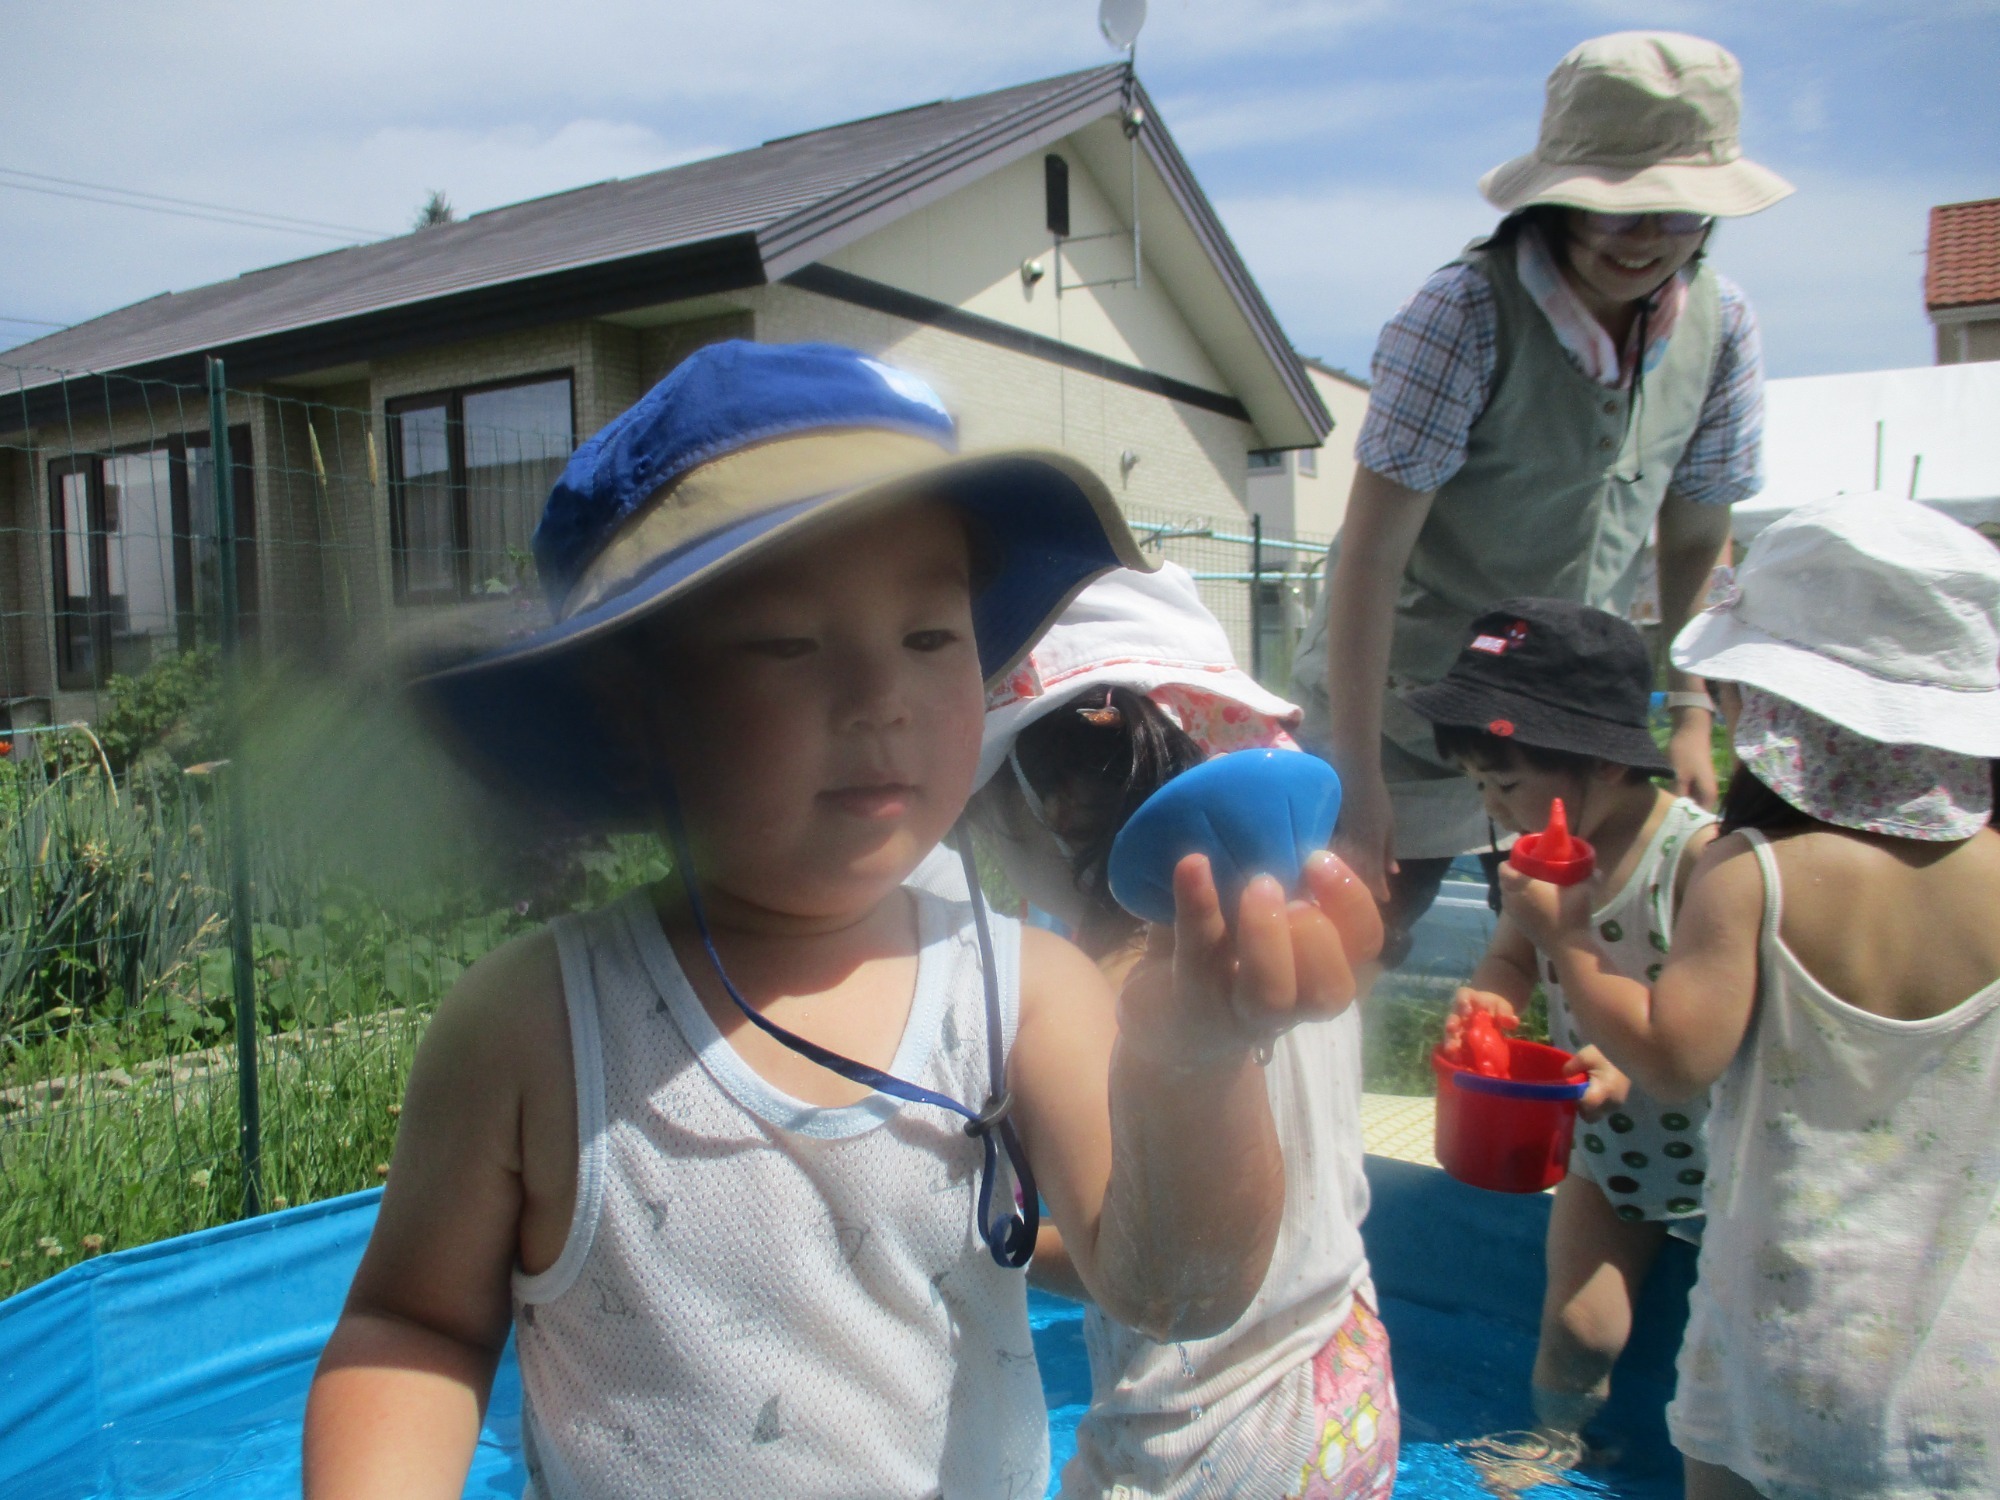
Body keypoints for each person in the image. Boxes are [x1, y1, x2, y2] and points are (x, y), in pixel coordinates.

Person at [299, 341, 1380, 1500]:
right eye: (787, 645)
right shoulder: (531, 1031)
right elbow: (414, 1325)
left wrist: (1194, 1067)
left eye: (928, 637)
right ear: (632, 713)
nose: (881, 698)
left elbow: (1171, 1289)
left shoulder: (1023, 995)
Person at [1500, 494, 2000, 1499]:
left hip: (1783, 1337)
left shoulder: (1751, 872)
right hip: (1966, 1356)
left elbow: (1673, 1060)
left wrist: (1568, 944)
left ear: (1771, 708)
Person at [1288, 31, 1791, 965]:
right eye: (1616, 211)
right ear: (1558, 199)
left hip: (1568, 717)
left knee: (1575, 952)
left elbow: (1695, 539)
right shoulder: (1466, 313)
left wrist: (1689, 711)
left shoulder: (1723, 327)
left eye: (1676, 215)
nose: (1645, 241)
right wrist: (1356, 775)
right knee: (1344, 951)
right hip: (1397, 706)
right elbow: (1369, 554)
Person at [963, 561, 1394, 1499]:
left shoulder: (1119, 992)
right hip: (1346, 1377)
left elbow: (1135, 1267)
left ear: (1052, 806)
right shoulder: (1290, 916)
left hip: (1203, 1437)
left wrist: (980, 1227)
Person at [1402, 599, 1717, 1460]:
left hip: (1724, 1151)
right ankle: (1551, 1444)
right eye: (1477, 785)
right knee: (1581, 1327)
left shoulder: (1695, 862)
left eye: (1505, 783)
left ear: (1608, 764)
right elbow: (1513, 958)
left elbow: (1715, 1027)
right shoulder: (1536, 863)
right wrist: (1492, 1000)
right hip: (1610, 1150)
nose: (1493, 807)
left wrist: (1627, 1062)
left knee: (1726, 1350)